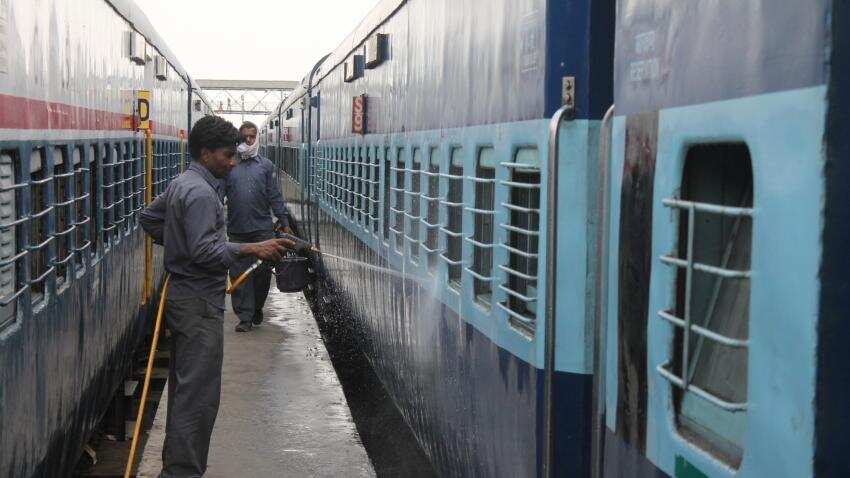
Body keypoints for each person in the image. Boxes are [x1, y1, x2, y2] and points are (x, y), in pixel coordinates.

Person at [140, 115, 293, 477]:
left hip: (185, 298)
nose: (233, 161)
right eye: (227, 155)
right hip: (199, 304)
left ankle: (176, 469)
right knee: (198, 398)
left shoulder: (183, 183)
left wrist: (177, 242)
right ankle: (182, 473)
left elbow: (149, 218)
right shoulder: (201, 194)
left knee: (186, 391)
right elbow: (206, 252)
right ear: (206, 153)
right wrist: (253, 248)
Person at [224, 121, 292, 332]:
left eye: (251, 136)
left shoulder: (266, 166)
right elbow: (218, 194)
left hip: (263, 230)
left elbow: (274, 195)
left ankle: (257, 308)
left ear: (256, 138)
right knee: (239, 275)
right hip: (237, 231)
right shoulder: (230, 166)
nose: (248, 140)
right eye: (244, 136)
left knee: (262, 274)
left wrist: (284, 221)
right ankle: (244, 317)